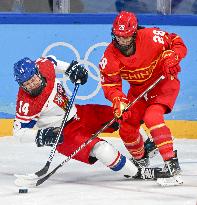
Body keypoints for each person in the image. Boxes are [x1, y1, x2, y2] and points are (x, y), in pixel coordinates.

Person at [13, 56, 164, 182]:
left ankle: (148, 147)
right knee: (102, 149)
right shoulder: (26, 104)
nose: (32, 85)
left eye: (33, 79)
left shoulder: (44, 66)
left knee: (122, 113)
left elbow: (56, 63)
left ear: (38, 72)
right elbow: (18, 133)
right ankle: (138, 172)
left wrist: (72, 70)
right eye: (27, 84)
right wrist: (41, 136)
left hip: (79, 113)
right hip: (64, 134)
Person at [99, 11, 187, 186]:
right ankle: (140, 161)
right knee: (126, 125)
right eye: (118, 36)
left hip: (163, 84)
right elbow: (110, 85)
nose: (122, 41)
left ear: (134, 32)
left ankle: (171, 164)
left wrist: (173, 57)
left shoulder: (151, 37)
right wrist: (118, 101)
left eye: (126, 37)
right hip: (138, 90)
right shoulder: (109, 56)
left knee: (152, 117)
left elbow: (177, 42)